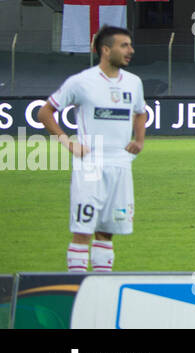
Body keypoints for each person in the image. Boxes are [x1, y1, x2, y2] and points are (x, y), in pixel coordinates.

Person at [37, 26, 146, 273]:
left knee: (107, 232)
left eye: (130, 45)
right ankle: (76, 289)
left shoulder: (134, 82)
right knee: (83, 230)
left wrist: (139, 141)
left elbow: (140, 112)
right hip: (91, 166)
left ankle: (99, 291)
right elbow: (44, 112)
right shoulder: (81, 82)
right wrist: (67, 142)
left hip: (121, 165)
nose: (131, 51)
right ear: (106, 50)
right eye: (124, 45)